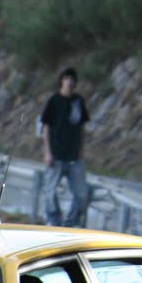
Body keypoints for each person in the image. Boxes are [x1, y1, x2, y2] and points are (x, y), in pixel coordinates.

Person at [40, 67, 91, 227]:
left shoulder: (78, 101)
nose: (70, 82)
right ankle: (54, 220)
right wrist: (47, 152)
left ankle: (70, 223)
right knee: (50, 192)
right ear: (62, 81)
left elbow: (82, 127)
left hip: (74, 156)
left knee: (81, 195)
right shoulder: (54, 101)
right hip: (56, 155)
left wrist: (82, 150)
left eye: (72, 79)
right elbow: (46, 127)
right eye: (67, 78)